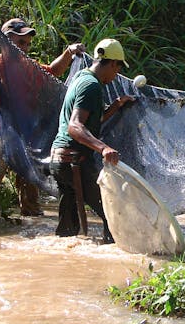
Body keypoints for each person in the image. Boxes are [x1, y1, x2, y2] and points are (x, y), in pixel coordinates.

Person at [0, 17, 85, 224]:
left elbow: (52, 72)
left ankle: (31, 227)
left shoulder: (29, 67)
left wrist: (69, 52)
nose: (25, 48)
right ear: (7, 41)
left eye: (27, 43)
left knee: (30, 186)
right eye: (21, 43)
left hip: (26, 136)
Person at [49, 38, 135, 243]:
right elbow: (75, 126)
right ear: (113, 63)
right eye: (117, 70)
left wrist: (116, 104)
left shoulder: (81, 76)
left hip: (60, 160)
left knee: (67, 227)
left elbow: (93, 119)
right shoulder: (92, 86)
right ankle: (114, 255)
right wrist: (104, 148)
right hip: (73, 161)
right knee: (112, 212)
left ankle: (66, 263)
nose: (115, 77)